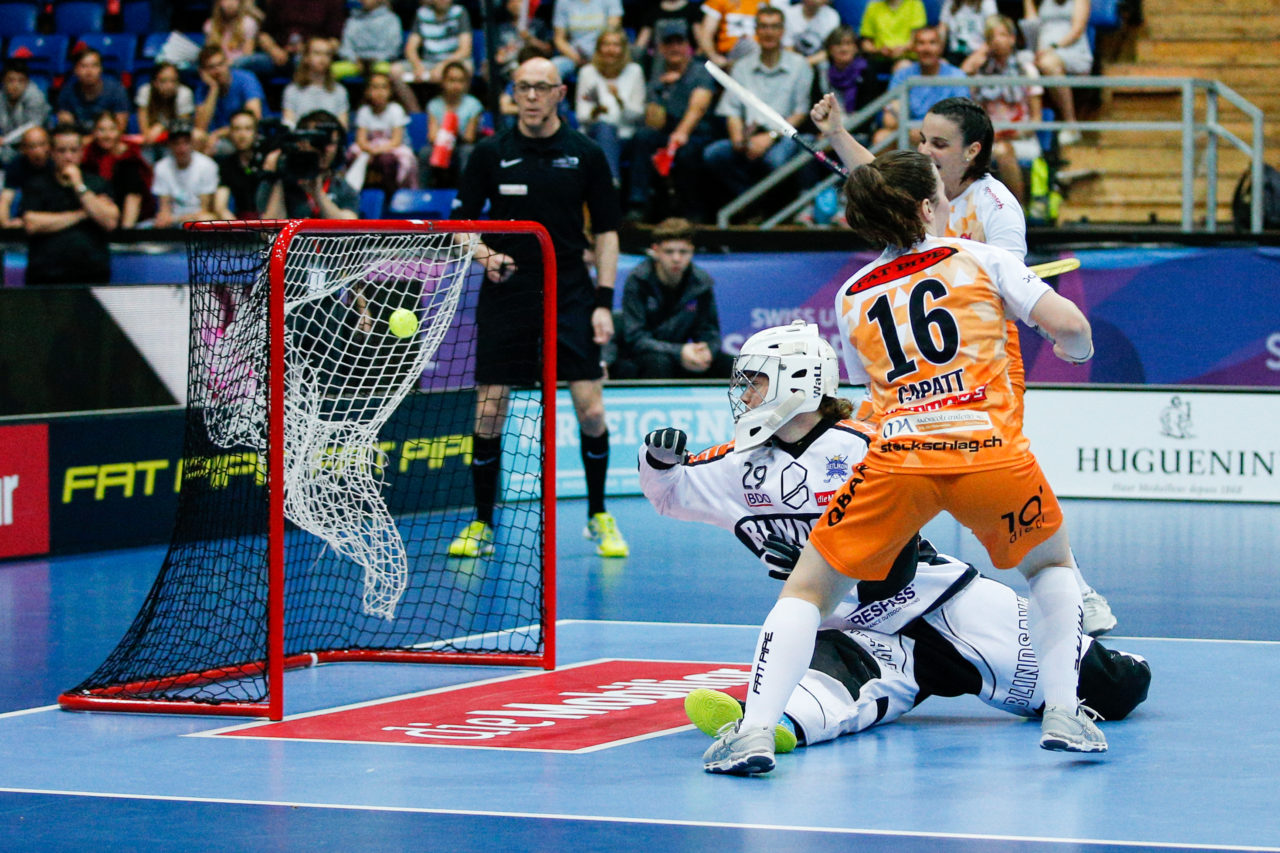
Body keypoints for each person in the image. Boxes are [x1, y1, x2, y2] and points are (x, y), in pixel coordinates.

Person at [701, 150, 1106, 775]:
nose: (949, 201)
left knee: (807, 591)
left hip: (899, 460)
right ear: (925, 206)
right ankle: (1064, 713)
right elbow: (1071, 326)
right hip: (989, 454)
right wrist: (1073, 351)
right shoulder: (981, 257)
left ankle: (753, 731)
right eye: (941, 194)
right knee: (1051, 568)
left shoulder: (851, 295)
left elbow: (875, 385)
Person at [635, 322, 1149, 755]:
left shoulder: (870, 447)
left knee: (1117, 690)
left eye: (753, 381)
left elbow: (900, 562)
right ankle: (766, 723)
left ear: (793, 383)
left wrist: (827, 560)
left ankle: (1098, 655)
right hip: (852, 628)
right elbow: (670, 492)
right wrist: (656, 464)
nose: (742, 393)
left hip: (940, 603)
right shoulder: (737, 466)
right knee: (824, 692)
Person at [815, 92, 1117, 636]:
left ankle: (1072, 584)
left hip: (982, 352)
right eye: (921, 141)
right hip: (915, 352)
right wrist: (838, 132)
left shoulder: (997, 206)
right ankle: (876, 585)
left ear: (971, 151)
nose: (925, 152)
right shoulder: (920, 189)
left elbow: (1009, 292)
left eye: (939, 144)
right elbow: (881, 183)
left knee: (1002, 473)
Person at [447, 56, 627, 560]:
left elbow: (609, 232)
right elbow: (461, 225)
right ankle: (482, 521)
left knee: (590, 410)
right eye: (522, 87)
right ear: (513, 92)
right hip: (508, 291)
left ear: (560, 93)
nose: (530, 96)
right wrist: (486, 255)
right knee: (489, 409)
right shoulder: (489, 153)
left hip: (570, 289)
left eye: (540, 87)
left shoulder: (586, 154)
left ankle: (598, 513)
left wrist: (603, 303)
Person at [704, 6, 814, 204]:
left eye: (773, 27)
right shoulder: (741, 66)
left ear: (782, 31)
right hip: (749, 135)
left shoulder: (800, 65)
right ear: (756, 31)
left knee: (774, 160)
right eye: (763, 26)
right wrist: (738, 139)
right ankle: (751, 204)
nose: (768, 32)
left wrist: (770, 136)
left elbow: (800, 113)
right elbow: (732, 110)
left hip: (784, 136)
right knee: (714, 154)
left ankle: (772, 208)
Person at [613, 217, 734, 380]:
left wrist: (706, 351)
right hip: (644, 355)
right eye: (669, 252)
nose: (676, 258)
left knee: (729, 365)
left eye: (683, 252)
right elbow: (635, 338)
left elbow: (709, 332)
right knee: (659, 363)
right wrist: (679, 352)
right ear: (656, 251)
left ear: (691, 251)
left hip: (685, 354)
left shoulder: (701, 282)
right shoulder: (638, 280)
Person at [625, 21, 716, 224]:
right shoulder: (656, 74)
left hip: (696, 132)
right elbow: (653, 120)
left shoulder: (699, 70)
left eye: (679, 42)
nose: (674, 48)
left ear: (687, 46)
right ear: (661, 48)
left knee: (687, 153)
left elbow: (698, 107)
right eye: (669, 43)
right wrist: (661, 94)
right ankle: (638, 205)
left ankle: (693, 212)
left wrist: (681, 133)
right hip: (665, 130)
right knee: (642, 138)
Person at [22, 123, 119, 285]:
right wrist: (83, 213)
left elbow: (110, 221)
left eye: (73, 150)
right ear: (52, 153)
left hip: (92, 274)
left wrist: (79, 185)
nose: (68, 157)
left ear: (82, 152)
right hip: (45, 276)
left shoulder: (98, 184)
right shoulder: (37, 185)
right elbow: (31, 223)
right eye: (61, 151)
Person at [963, 14, 1044, 202]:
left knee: (1004, 150)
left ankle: (1018, 209)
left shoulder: (1027, 70)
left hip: (1022, 137)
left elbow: (1037, 118)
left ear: (1012, 38)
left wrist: (1016, 133)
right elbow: (977, 114)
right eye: (992, 37)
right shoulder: (982, 73)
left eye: (1002, 35)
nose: (997, 41)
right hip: (989, 138)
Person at [871, 26, 970, 148]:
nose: (926, 49)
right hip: (908, 133)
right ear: (914, 48)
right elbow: (889, 120)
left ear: (941, 48)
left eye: (932, 43)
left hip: (943, 137)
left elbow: (961, 120)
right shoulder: (902, 75)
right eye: (921, 43)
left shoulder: (956, 76)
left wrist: (923, 132)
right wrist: (911, 129)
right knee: (881, 138)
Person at [256, 109, 359, 219]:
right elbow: (268, 234)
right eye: (317, 142)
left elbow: (348, 230)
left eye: (331, 143)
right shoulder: (274, 182)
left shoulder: (343, 188)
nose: (325, 149)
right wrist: (278, 178)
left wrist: (318, 194)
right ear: (301, 142)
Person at [573, 28, 645, 183]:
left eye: (616, 45)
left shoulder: (634, 71)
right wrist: (595, 112)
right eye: (606, 45)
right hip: (592, 135)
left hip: (625, 137)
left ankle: (610, 185)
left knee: (626, 134)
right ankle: (611, 182)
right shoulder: (587, 72)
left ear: (623, 49)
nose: (610, 50)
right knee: (605, 128)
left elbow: (638, 114)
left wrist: (619, 101)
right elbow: (582, 116)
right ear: (598, 48)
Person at [1023, 0, 1093, 147]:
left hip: (1071, 50)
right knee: (1024, 64)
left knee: (1048, 64)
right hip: (1044, 52)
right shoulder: (1044, 2)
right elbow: (1032, 27)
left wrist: (1053, 47)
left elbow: (1077, 30)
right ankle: (1025, 127)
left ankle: (1071, 124)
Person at [82, 110, 156, 228]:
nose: (107, 135)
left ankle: (126, 231)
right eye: (101, 130)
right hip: (96, 211)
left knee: (130, 172)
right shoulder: (87, 156)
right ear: (94, 133)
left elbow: (137, 191)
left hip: (127, 211)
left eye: (112, 130)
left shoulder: (129, 155)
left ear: (119, 132)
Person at [238, 0, 347, 80]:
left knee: (302, 62)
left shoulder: (332, 2)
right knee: (242, 63)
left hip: (310, 56)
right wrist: (273, 50)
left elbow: (335, 41)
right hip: (279, 55)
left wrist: (308, 50)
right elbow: (264, 34)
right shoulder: (279, 2)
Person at [346, 71, 417, 193]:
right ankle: (356, 192)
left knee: (387, 159)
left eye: (384, 87)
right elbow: (361, 140)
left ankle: (391, 194)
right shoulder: (364, 111)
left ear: (390, 91)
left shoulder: (396, 109)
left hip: (393, 149)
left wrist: (378, 150)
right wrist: (370, 149)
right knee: (353, 155)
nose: (379, 92)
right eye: (375, 87)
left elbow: (396, 141)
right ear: (367, 91)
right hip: (370, 148)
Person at [419, 61, 483, 189]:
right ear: (443, 82)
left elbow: (469, 138)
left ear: (466, 83)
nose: (456, 85)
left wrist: (453, 130)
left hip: (462, 144)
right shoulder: (434, 105)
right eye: (451, 80)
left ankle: (466, 191)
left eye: (460, 81)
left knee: (467, 152)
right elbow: (432, 136)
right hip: (440, 145)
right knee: (425, 152)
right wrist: (445, 135)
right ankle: (424, 191)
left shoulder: (473, 104)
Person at [193, 44, 266, 154]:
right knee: (196, 137)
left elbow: (253, 117)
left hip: (246, 136)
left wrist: (218, 134)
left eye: (221, 64)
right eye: (211, 67)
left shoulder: (246, 79)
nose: (218, 71)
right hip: (217, 140)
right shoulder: (203, 89)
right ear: (203, 72)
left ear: (227, 62)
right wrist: (213, 89)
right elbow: (201, 128)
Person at [152, 122, 220, 228]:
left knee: (206, 219)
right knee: (159, 221)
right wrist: (168, 218)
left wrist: (179, 218)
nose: (182, 148)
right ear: (170, 145)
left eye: (185, 143)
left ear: (192, 143)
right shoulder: (161, 167)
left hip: (197, 218)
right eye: (177, 143)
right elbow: (164, 208)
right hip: (172, 220)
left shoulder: (207, 165)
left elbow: (205, 208)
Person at [858, 0, 927, 99]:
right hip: (879, 57)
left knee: (903, 67)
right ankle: (869, 112)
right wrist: (878, 50)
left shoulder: (915, 4)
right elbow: (865, 43)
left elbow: (918, 39)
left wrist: (902, 49)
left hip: (907, 56)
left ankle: (891, 108)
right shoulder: (873, 7)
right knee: (862, 68)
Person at [398, 0, 474, 88]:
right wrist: (417, 66)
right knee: (395, 71)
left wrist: (443, 66)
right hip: (428, 62)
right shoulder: (422, 13)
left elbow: (465, 50)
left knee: (466, 68)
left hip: (453, 61)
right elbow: (410, 49)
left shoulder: (460, 12)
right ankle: (413, 102)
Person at [55, 49, 131, 134]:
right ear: (75, 70)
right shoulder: (67, 92)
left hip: (108, 140)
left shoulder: (116, 91)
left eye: (94, 66)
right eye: (84, 66)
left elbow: (119, 128)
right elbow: (67, 130)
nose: (89, 71)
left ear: (101, 69)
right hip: (78, 144)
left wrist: (89, 141)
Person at [282, 36, 350, 128]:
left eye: (327, 54)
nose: (323, 59)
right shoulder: (292, 91)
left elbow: (342, 128)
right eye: (317, 53)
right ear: (306, 57)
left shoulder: (339, 91)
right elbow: (289, 125)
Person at [135, 62, 197, 157]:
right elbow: (145, 131)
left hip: (174, 142)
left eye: (173, 81)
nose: (169, 86)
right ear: (155, 83)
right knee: (145, 154)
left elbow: (182, 128)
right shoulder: (145, 92)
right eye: (164, 81)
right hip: (151, 142)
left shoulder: (184, 94)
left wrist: (162, 126)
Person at [333, 0, 404, 81]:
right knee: (331, 71)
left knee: (395, 71)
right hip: (355, 63)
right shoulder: (352, 20)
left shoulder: (391, 19)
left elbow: (393, 49)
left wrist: (374, 60)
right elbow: (345, 47)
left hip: (380, 64)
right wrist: (354, 59)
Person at [0, 59, 50, 171]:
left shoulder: (35, 96)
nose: (15, 85)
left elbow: (33, 127)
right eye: (11, 80)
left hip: (33, 145)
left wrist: (5, 140)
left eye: (20, 81)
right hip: (9, 145)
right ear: (3, 81)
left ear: (27, 82)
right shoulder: (1, 95)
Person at [0, 126, 51, 228]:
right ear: (23, 149)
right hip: (27, 214)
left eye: (42, 144)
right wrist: (5, 223)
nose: (38, 151)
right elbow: (6, 198)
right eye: (32, 146)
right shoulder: (17, 165)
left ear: (49, 145)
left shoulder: (56, 163)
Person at [214, 110, 261, 219]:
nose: (242, 135)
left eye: (248, 129)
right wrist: (237, 229)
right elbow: (220, 207)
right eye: (237, 129)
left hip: (272, 223)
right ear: (230, 133)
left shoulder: (267, 160)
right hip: (242, 224)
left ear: (256, 133)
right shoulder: (227, 164)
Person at [552, 0, 623, 72]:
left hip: (604, 52)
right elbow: (559, 39)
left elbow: (612, 32)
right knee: (554, 66)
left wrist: (597, 58)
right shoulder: (563, 2)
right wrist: (577, 59)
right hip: (575, 54)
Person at [698, 0, 769, 70]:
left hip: (758, 51)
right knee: (748, 44)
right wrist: (713, 56)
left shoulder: (764, 2)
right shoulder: (719, 1)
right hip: (730, 51)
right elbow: (706, 33)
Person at [782, 0, 842, 67]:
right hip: (792, 62)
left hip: (818, 63)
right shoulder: (788, 14)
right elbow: (787, 47)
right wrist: (798, 65)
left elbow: (829, 50)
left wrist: (805, 63)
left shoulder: (832, 16)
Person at [939, 0, 998, 66]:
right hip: (954, 54)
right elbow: (942, 32)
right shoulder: (950, 2)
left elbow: (993, 34)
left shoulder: (987, 2)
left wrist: (973, 60)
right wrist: (937, 57)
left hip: (979, 52)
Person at [204, 0, 262, 66]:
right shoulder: (211, 24)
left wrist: (229, 63)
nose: (230, 3)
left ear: (240, 3)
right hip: (217, 66)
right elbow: (209, 54)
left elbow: (247, 57)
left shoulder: (248, 23)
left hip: (239, 66)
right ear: (218, 3)